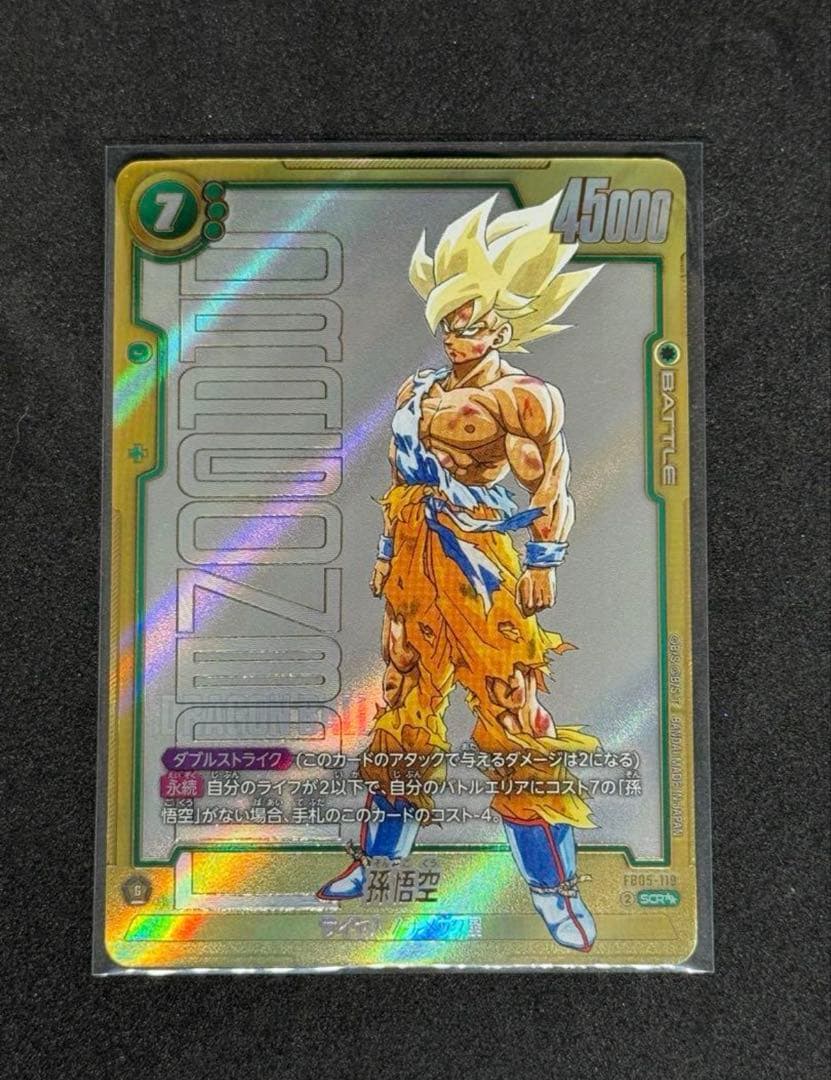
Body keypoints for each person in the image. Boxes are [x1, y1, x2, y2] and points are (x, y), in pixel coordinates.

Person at [318, 193, 602, 951]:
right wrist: (387, 555)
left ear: (500, 328)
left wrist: (543, 559)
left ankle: (554, 890)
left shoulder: (521, 398)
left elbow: (550, 484)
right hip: (415, 560)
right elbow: (400, 480)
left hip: (482, 562)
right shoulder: (417, 392)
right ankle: (376, 864)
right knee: (405, 705)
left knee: (513, 715)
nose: (454, 335)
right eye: (448, 322)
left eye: (469, 322)